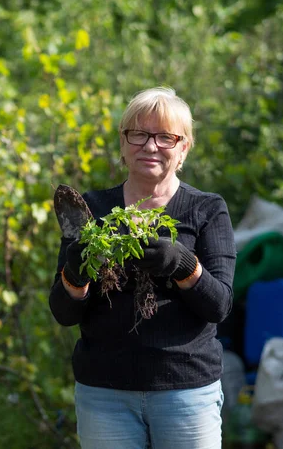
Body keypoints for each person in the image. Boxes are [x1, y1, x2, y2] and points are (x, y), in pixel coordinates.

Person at [49, 87, 236, 449]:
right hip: (105, 394)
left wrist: (182, 264)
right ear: (122, 143)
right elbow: (63, 312)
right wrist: (76, 274)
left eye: (166, 137)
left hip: (185, 393)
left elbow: (220, 305)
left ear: (183, 149)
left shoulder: (207, 210)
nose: (150, 146)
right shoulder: (93, 209)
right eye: (138, 134)